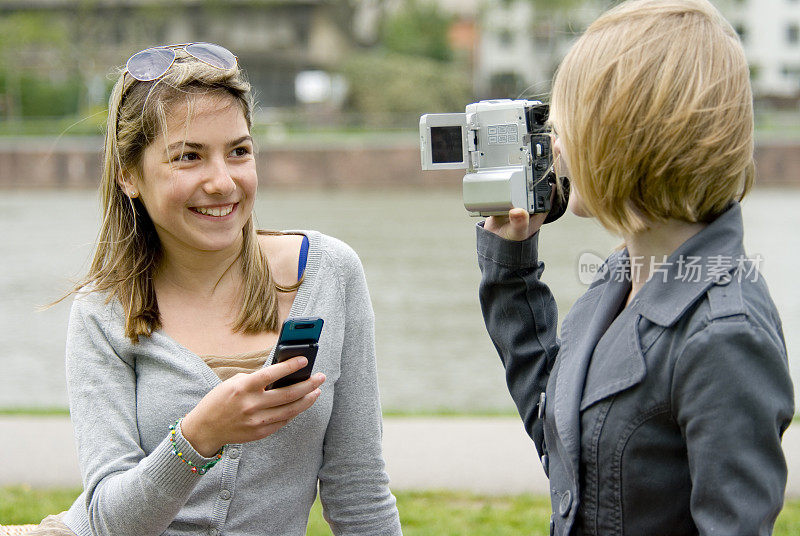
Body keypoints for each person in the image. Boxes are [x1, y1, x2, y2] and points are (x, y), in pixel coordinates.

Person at [31, 43, 402, 536]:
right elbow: (107, 522)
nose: (223, 182)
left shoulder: (331, 273)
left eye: (239, 152)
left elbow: (359, 491)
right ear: (129, 176)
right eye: (189, 157)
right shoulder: (102, 311)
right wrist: (198, 436)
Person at [476, 1, 794, 535]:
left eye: (566, 124)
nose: (553, 144)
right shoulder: (622, 275)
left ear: (623, 138)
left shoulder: (724, 334)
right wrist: (510, 266)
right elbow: (562, 440)